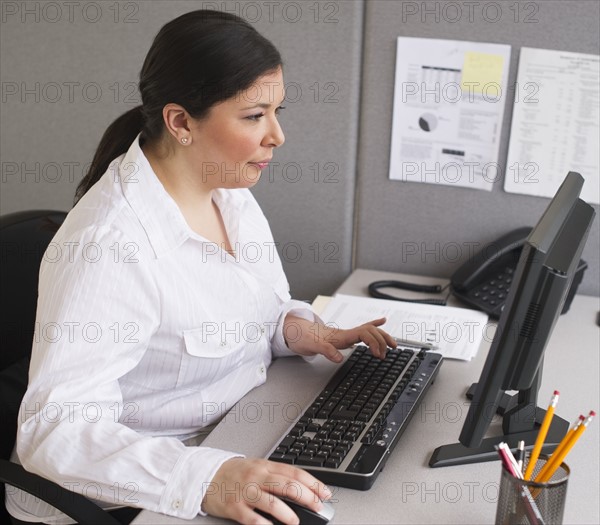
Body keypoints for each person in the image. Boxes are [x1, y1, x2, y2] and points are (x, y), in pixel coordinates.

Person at [5, 10, 396, 525]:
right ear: (181, 122)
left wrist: (293, 328)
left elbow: (252, 307)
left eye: (278, 111)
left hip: (233, 433)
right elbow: (55, 431)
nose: (277, 135)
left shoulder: (229, 194)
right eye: (255, 116)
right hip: (132, 492)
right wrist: (211, 478)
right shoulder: (110, 245)